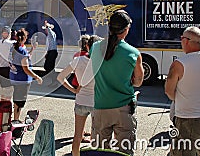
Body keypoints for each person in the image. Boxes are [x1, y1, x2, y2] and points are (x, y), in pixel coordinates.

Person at [90, 10, 144, 155]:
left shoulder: (94, 48)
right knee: (125, 152)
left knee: (100, 151)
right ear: (126, 30)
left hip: (101, 107)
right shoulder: (133, 53)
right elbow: (138, 81)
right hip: (124, 108)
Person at [165, 26, 200, 156]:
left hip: (188, 117)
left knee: (183, 152)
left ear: (187, 41)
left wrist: (180, 100)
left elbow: (169, 91)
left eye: (182, 38)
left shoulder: (179, 63)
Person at [57, 35, 101, 156]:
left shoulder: (78, 60)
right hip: (97, 103)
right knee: (95, 137)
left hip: (80, 101)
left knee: (77, 136)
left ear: (87, 46)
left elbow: (60, 77)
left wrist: (74, 90)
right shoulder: (101, 63)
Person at [9, 29, 43, 120]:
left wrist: (33, 49)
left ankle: (14, 118)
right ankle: (16, 120)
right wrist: (36, 77)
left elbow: (26, 59)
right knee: (19, 101)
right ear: (24, 38)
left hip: (14, 77)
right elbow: (26, 68)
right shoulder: (22, 50)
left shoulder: (13, 48)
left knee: (16, 99)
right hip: (22, 80)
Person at [0, 26, 15, 101]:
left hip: (0, 70)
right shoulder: (12, 43)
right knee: (8, 95)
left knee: (2, 95)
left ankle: (1, 110)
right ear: (9, 34)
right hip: (9, 70)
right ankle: (7, 110)